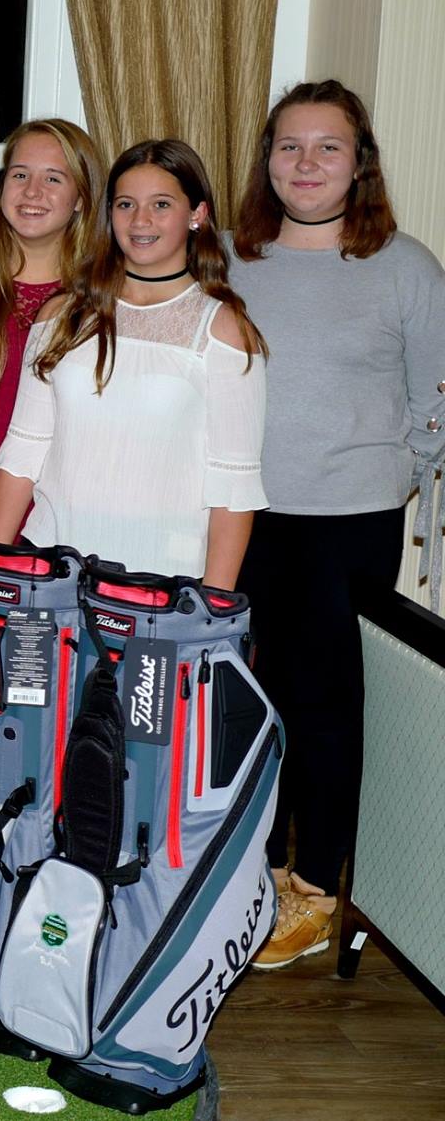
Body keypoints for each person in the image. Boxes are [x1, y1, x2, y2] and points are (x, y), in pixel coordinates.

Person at [227, 81, 445, 970]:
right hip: (241, 515)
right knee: (251, 701)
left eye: (328, 147)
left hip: (348, 520)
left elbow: (435, 395)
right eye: (290, 146)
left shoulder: (405, 268)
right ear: (267, 161)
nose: (307, 163)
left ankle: (315, 888)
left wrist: (410, 479)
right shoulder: (231, 260)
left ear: (361, 164)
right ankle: (255, 873)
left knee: (322, 710)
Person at [0, 139, 266, 588]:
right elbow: (24, 452)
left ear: (197, 214)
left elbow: (234, 490)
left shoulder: (225, 330)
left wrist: (212, 607)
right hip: (54, 570)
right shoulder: (60, 316)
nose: (140, 220)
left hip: (164, 585)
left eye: (161, 204)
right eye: (125, 204)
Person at [0, 118, 104, 522]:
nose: (32, 192)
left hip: (64, 526)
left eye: (53, 178)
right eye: (20, 174)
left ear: (81, 198)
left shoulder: (105, 306)